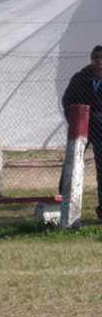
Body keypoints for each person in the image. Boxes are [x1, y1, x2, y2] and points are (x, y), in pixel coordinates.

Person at [61, 44, 102, 219]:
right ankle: (62, 201)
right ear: (91, 59)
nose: (99, 61)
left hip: (101, 130)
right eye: (95, 57)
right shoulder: (80, 78)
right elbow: (67, 100)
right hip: (81, 128)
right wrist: (74, 121)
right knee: (71, 164)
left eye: (101, 58)